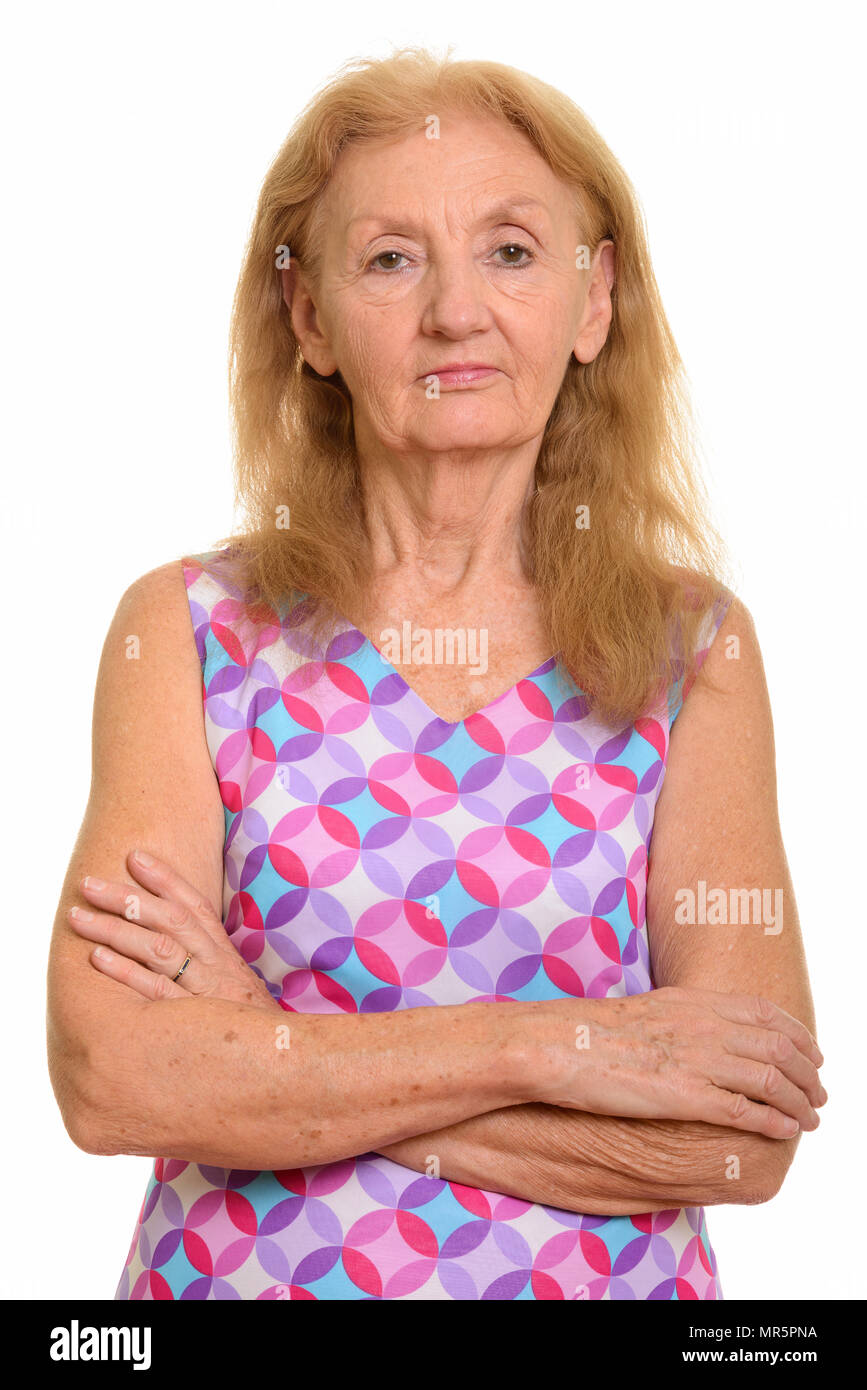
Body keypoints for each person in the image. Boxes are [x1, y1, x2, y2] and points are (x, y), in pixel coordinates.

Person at [46, 47, 825, 1300]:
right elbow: (112, 1078)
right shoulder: (187, 632)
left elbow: (740, 1137)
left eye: (513, 251)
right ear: (310, 317)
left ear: (594, 301)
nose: (456, 311)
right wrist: (570, 1050)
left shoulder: (697, 651)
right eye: (392, 258)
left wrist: (262, 1043)